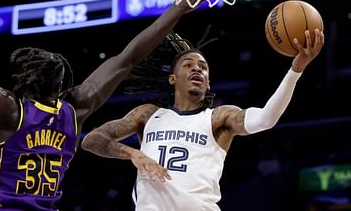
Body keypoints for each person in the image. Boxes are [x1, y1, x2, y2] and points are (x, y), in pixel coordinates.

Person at [0, 0, 200, 211]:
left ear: (25, 80)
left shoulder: (10, 112)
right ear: (62, 87)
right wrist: (178, 8)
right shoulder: (75, 112)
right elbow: (129, 57)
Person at [81, 28, 325, 211]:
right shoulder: (147, 114)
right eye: (188, 65)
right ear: (173, 78)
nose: (197, 69)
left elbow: (266, 119)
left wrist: (296, 69)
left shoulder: (219, 118)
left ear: (208, 82)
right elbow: (92, 140)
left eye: (203, 67)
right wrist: (134, 154)